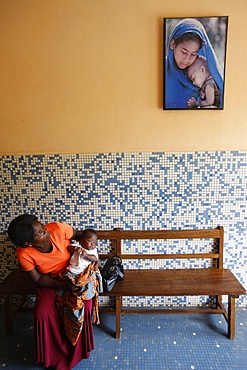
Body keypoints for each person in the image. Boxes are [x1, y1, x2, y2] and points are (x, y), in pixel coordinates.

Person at [7, 214, 99, 370]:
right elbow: (37, 279)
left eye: (42, 226)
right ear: (28, 243)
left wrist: (92, 257)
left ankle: (78, 351)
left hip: (76, 276)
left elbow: (82, 236)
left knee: (85, 307)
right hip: (50, 282)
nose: (45, 230)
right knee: (43, 313)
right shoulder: (23, 253)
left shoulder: (57, 228)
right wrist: (62, 285)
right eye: (40, 232)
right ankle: (54, 355)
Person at [165, 18, 224, 109]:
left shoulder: (201, 74)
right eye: (184, 52)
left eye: (193, 54)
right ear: (173, 44)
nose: (187, 59)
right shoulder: (161, 70)